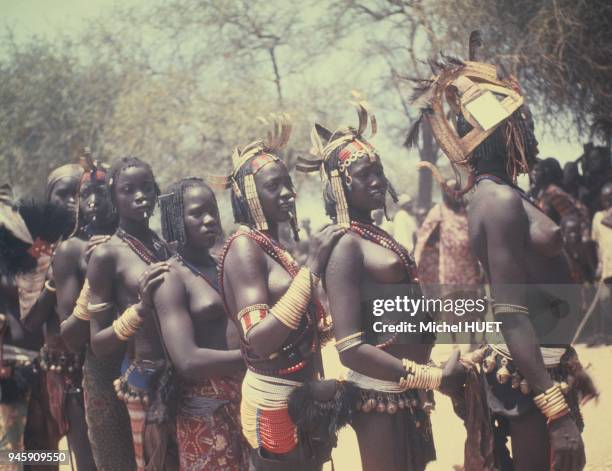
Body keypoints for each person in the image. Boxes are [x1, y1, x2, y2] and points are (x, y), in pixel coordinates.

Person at [409, 54, 596, 470]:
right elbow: (511, 312)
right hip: (528, 379)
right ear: (499, 133)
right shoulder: (497, 201)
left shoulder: (504, 194)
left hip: (540, 368)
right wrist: (555, 409)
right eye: (523, 124)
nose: (531, 135)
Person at [299, 99, 464, 471]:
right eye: (363, 174)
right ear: (341, 183)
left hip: (405, 392)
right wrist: (432, 377)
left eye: (379, 171)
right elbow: (350, 347)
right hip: (379, 394)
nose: (377, 181)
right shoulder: (345, 245)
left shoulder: (373, 235)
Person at [214, 115, 344, 470]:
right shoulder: (244, 247)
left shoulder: (273, 245)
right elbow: (260, 340)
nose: (289, 193)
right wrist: (313, 267)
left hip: (301, 394)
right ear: (250, 195)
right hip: (273, 400)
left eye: (289, 184)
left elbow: (297, 324)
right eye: (276, 187)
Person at [149, 177, 250, 470]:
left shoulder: (223, 264)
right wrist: (251, 358)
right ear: (174, 220)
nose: (209, 220)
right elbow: (187, 360)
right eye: (197, 213)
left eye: (213, 211)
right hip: (204, 411)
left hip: (246, 400)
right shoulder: (170, 277)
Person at [87, 157, 176, 471]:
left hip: (179, 375)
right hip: (144, 381)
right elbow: (98, 342)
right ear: (114, 198)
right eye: (129, 190)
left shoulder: (165, 247)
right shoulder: (107, 254)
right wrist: (140, 308)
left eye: (147, 188)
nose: (141, 196)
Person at [53, 156, 126, 470]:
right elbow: (70, 335)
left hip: (143, 370)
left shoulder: (134, 242)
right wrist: (97, 271)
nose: (94, 202)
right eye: (87, 195)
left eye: (102, 193)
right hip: (97, 373)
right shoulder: (72, 250)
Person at [21, 163, 84, 471]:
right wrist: (53, 279)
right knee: (45, 453)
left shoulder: (98, 242)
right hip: (50, 372)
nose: (73, 201)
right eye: (64, 194)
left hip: (96, 369)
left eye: (80, 193)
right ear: (49, 199)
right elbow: (30, 319)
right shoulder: (36, 250)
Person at [414, 173, 483, 345]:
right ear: (445, 192)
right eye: (451, 190)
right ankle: (454, 344)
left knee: (472, 304)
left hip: (469, 267)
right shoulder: (439, 210)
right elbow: (423, 236)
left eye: (457, 190)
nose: (455, 194)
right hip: (449, 267)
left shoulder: (468, 209)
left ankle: (473, 340)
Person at [531, 157, 590, 232]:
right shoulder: (542, 192)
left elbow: (570, 219)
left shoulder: (553, 193)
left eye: (537, 170)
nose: (533, 173)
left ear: (546, 172)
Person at [589, 182, 612, 345]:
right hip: (607, 268)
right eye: (606, 200)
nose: (609, 202)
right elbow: (596, 243)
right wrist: (598, 264)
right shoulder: (598, 217)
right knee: (605, 300)